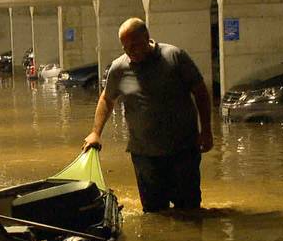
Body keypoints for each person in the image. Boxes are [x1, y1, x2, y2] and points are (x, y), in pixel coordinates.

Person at [83, 18, 213, 213]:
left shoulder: (174, 57)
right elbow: (107, 100)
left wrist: (207, 130)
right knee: (154, 213)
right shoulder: (119, 68)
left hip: (183, 149)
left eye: (134, 45)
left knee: (189, 209)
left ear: (146, 37)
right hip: (144, 154)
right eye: (125, 47)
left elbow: (200, 92)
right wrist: (95, 133)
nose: (130, 51)